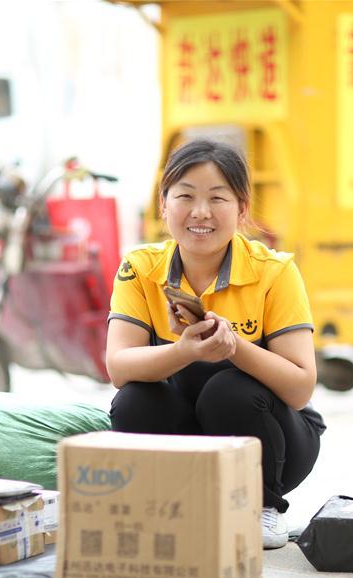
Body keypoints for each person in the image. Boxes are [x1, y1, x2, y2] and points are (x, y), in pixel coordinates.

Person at [106, 138, 325, 549]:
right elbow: (118, 367)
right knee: (134, 400)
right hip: (192, 439)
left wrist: (234, 348)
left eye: (217, 198)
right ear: (163, 205)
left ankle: (263, 505)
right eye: (185, 196)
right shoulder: (139, 268)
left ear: (242, 209)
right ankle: (168, 505)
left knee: (228, 390)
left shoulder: (274, 272)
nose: (200, 212)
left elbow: (300, 388)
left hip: (277, 443)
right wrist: (183, 351)